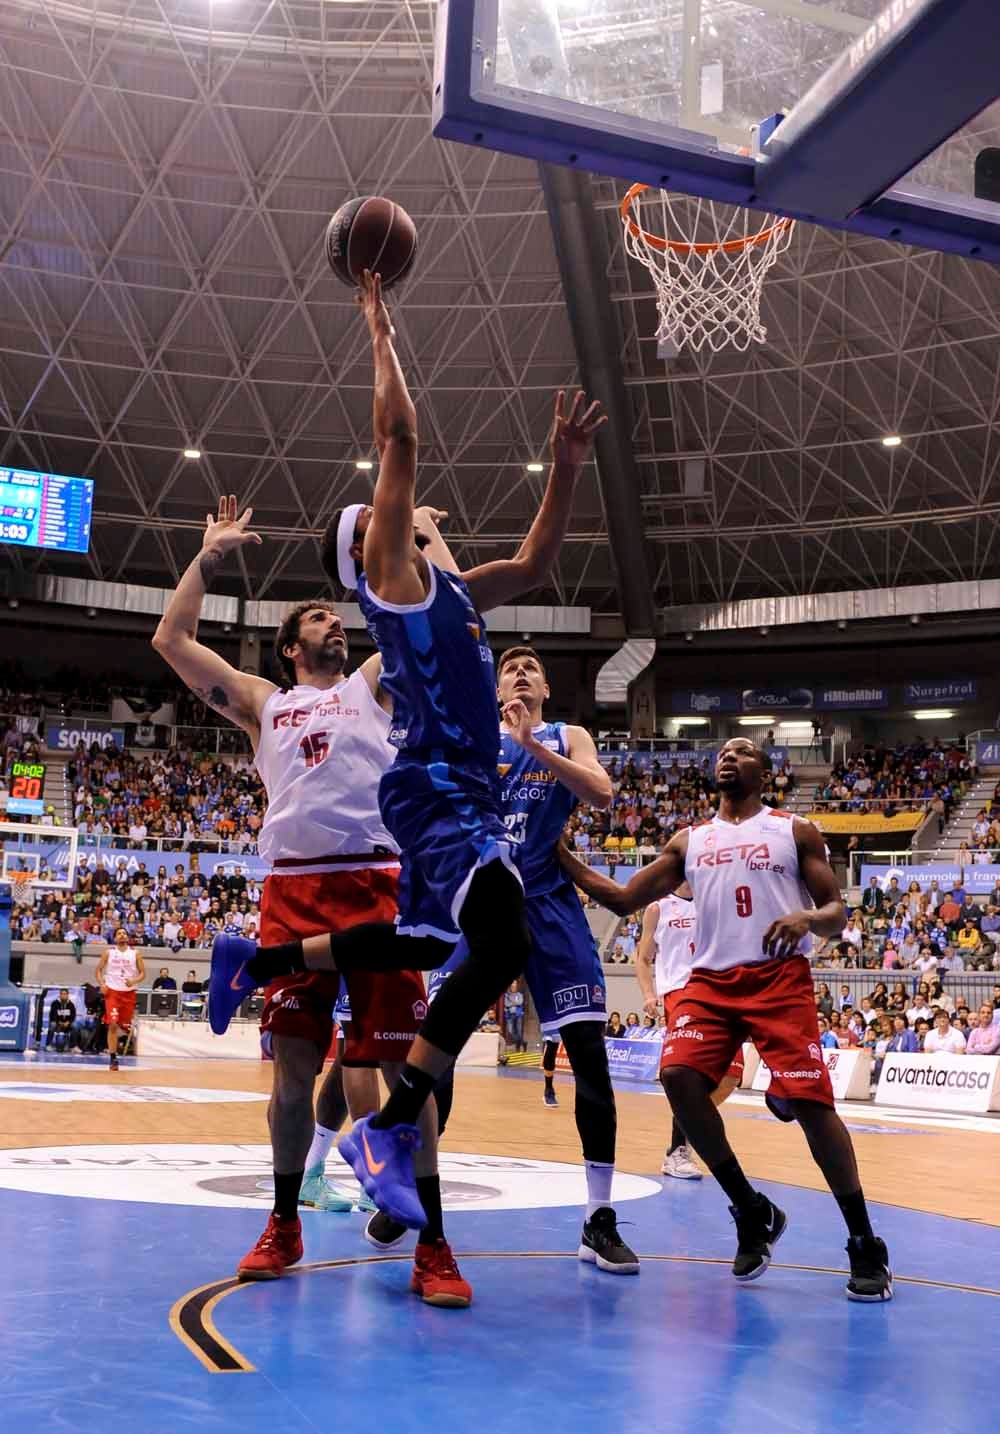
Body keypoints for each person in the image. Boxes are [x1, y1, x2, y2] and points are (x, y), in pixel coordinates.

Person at [212, 271, 606, 1242]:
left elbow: (543, 559)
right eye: (397, 515)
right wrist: (379, 325)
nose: (417, 513)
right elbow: (399, 441)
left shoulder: (463, 591)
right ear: (377, 546)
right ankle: (389, 1128)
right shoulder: (396, 583)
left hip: (444, 793)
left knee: (427, 946)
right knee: (503, 940)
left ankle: (258, 960)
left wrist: (564, 464)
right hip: (436, 787)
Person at [154, 497, 469, 1304]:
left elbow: (451, 619)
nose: (337, 624)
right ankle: (284, 1218)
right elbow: (172, 641)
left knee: (409, 1071)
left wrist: (427, 538)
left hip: (375, 880)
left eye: (340, 614)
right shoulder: (264, 701)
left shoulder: (375, 680)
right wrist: (211, 555)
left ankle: (433, 1243)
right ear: (293, 647)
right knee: (293, 1076)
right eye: (320, 618)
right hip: (292, 887)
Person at [559, 737, 893, 1302]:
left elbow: (838, 913)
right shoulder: (690, 841)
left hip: (778, 978)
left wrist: (808, 917)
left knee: (814, 1107)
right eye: (723, 751)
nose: (728, 756)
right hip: (709, 984)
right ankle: (749, 1209)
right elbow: (620, 900)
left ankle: (863, 1241)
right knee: (677, 1078)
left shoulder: (794, 831)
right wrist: (558, 851)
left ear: (766, 772)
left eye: (742, 751)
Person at [636, 882, 742, 1180]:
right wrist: (648, 994)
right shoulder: (658, 908)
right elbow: (644, 958)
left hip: (716, 992)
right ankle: (677, 1150)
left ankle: (685, 1124)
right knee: (687, 1076)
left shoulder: (715, 901)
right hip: (679, 994)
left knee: (731, 1076)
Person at [94, 929, 144, 1071]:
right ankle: (113, 1057)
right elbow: (98, 971)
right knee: (113, 1024)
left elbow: (142, 974)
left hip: (128, 993)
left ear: (128, 937)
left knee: (124, 1026)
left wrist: (134, 980)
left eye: (124, 933)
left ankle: (118, 1045)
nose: (122, 935)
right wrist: (102, 984)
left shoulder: (136, 953)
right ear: (115, 938)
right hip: (113, 992)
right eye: (119, 933)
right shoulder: (108, 952)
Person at [503, 979, 526, 1054]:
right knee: (511, 1031)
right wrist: (515, 1003)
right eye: (512, 984)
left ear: (517, 986)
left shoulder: (520, 995)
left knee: (519, 1032)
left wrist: (512, 1002)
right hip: (510, 1016)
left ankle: (518, 1046)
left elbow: (520, 1002)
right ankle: (523, 1042)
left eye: (515, 984)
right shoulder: (507, 995)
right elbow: (506, 1004)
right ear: (510, 986)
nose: (514, 985)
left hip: (518, 1015)